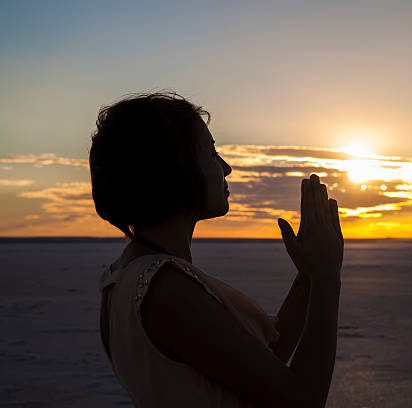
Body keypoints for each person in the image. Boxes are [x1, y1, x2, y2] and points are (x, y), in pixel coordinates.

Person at [90, 92, 344, 408]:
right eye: (211, 153)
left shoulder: (126, 276)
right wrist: (327, 277)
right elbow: (301, 400)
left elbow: (259, 364)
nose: (226, 168)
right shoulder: (165, 290)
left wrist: (307, 277)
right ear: (173, 167)